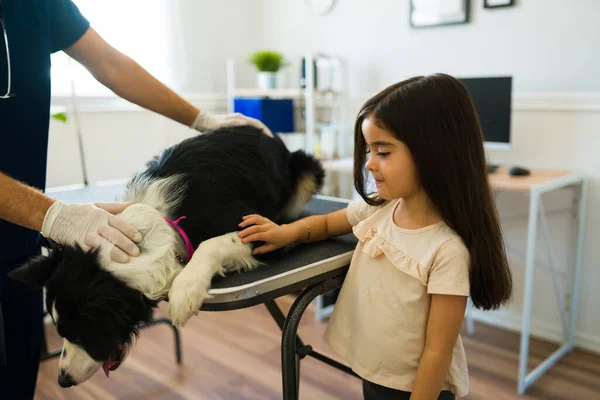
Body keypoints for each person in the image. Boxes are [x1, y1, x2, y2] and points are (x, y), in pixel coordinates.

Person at [0, 0, 272, 398]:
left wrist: (203, 120)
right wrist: (52, 214)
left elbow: (110, 64)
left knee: (16, 379)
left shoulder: (38, 5)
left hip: (20, 247)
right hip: (34, 221)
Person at [238, 74, 513, 400]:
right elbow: (327, 223)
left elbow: (437, 353)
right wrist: (287, 233)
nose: (369, 164)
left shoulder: (446, 251)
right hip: (376, 371)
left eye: (383, 152)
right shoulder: (381, 210)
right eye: (369, 151)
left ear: (434, 154)